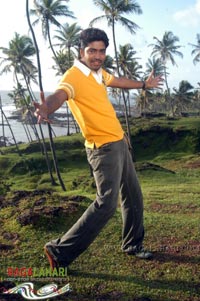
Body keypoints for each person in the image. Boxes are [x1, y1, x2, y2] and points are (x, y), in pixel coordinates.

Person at [34, 28, 163, 269]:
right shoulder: (73, 76)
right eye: (92, 50)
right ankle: (59, 251)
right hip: (102, 149)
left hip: (119, 142)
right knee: (106, 203)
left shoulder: (98, 73)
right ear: (81, 51)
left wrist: (143, 84)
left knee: (133, 196)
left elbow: (117, 81)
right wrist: (46, 108)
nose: (97, 56)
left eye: (101, 51)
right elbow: (60, 94)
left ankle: (132, 244)